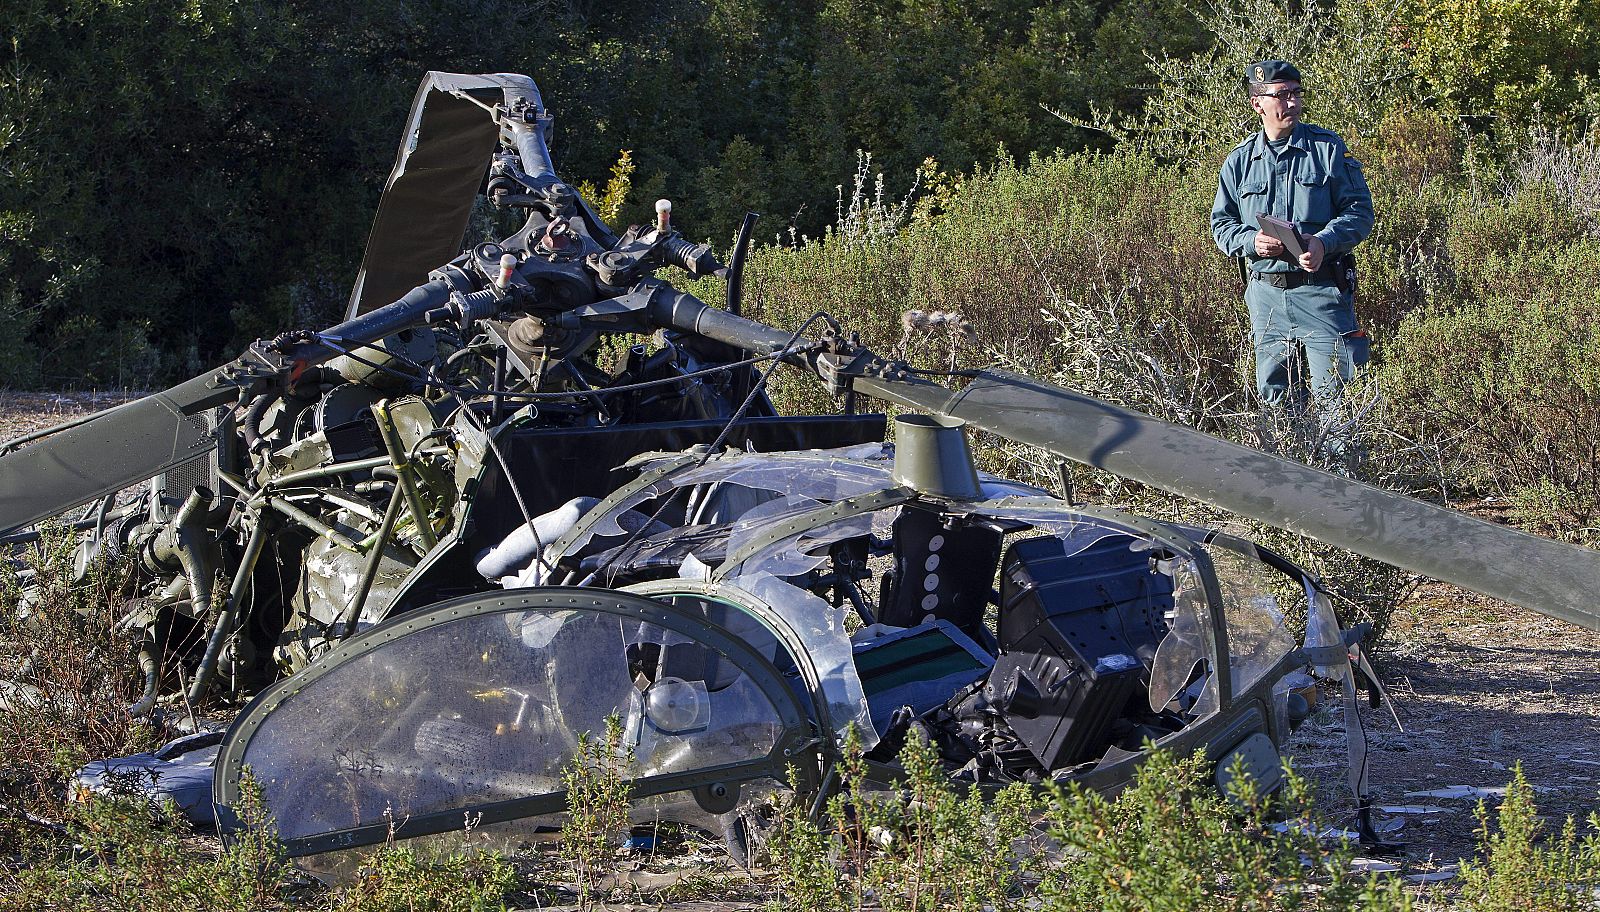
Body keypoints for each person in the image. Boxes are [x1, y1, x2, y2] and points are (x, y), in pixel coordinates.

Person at [1210, 60, 1373, 411]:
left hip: (1322, 296)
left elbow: (1360, 214)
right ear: (1258, 103)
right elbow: (1222, 225)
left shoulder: (1327, 150)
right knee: (1277, 405)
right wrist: (1251, 242)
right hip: (1266, 298)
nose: (1293, 103)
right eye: (1282, 95)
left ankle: (1341, 470)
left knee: (1339, 407)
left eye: (1296, 93)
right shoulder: (1239, 162)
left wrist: (1323, 241)